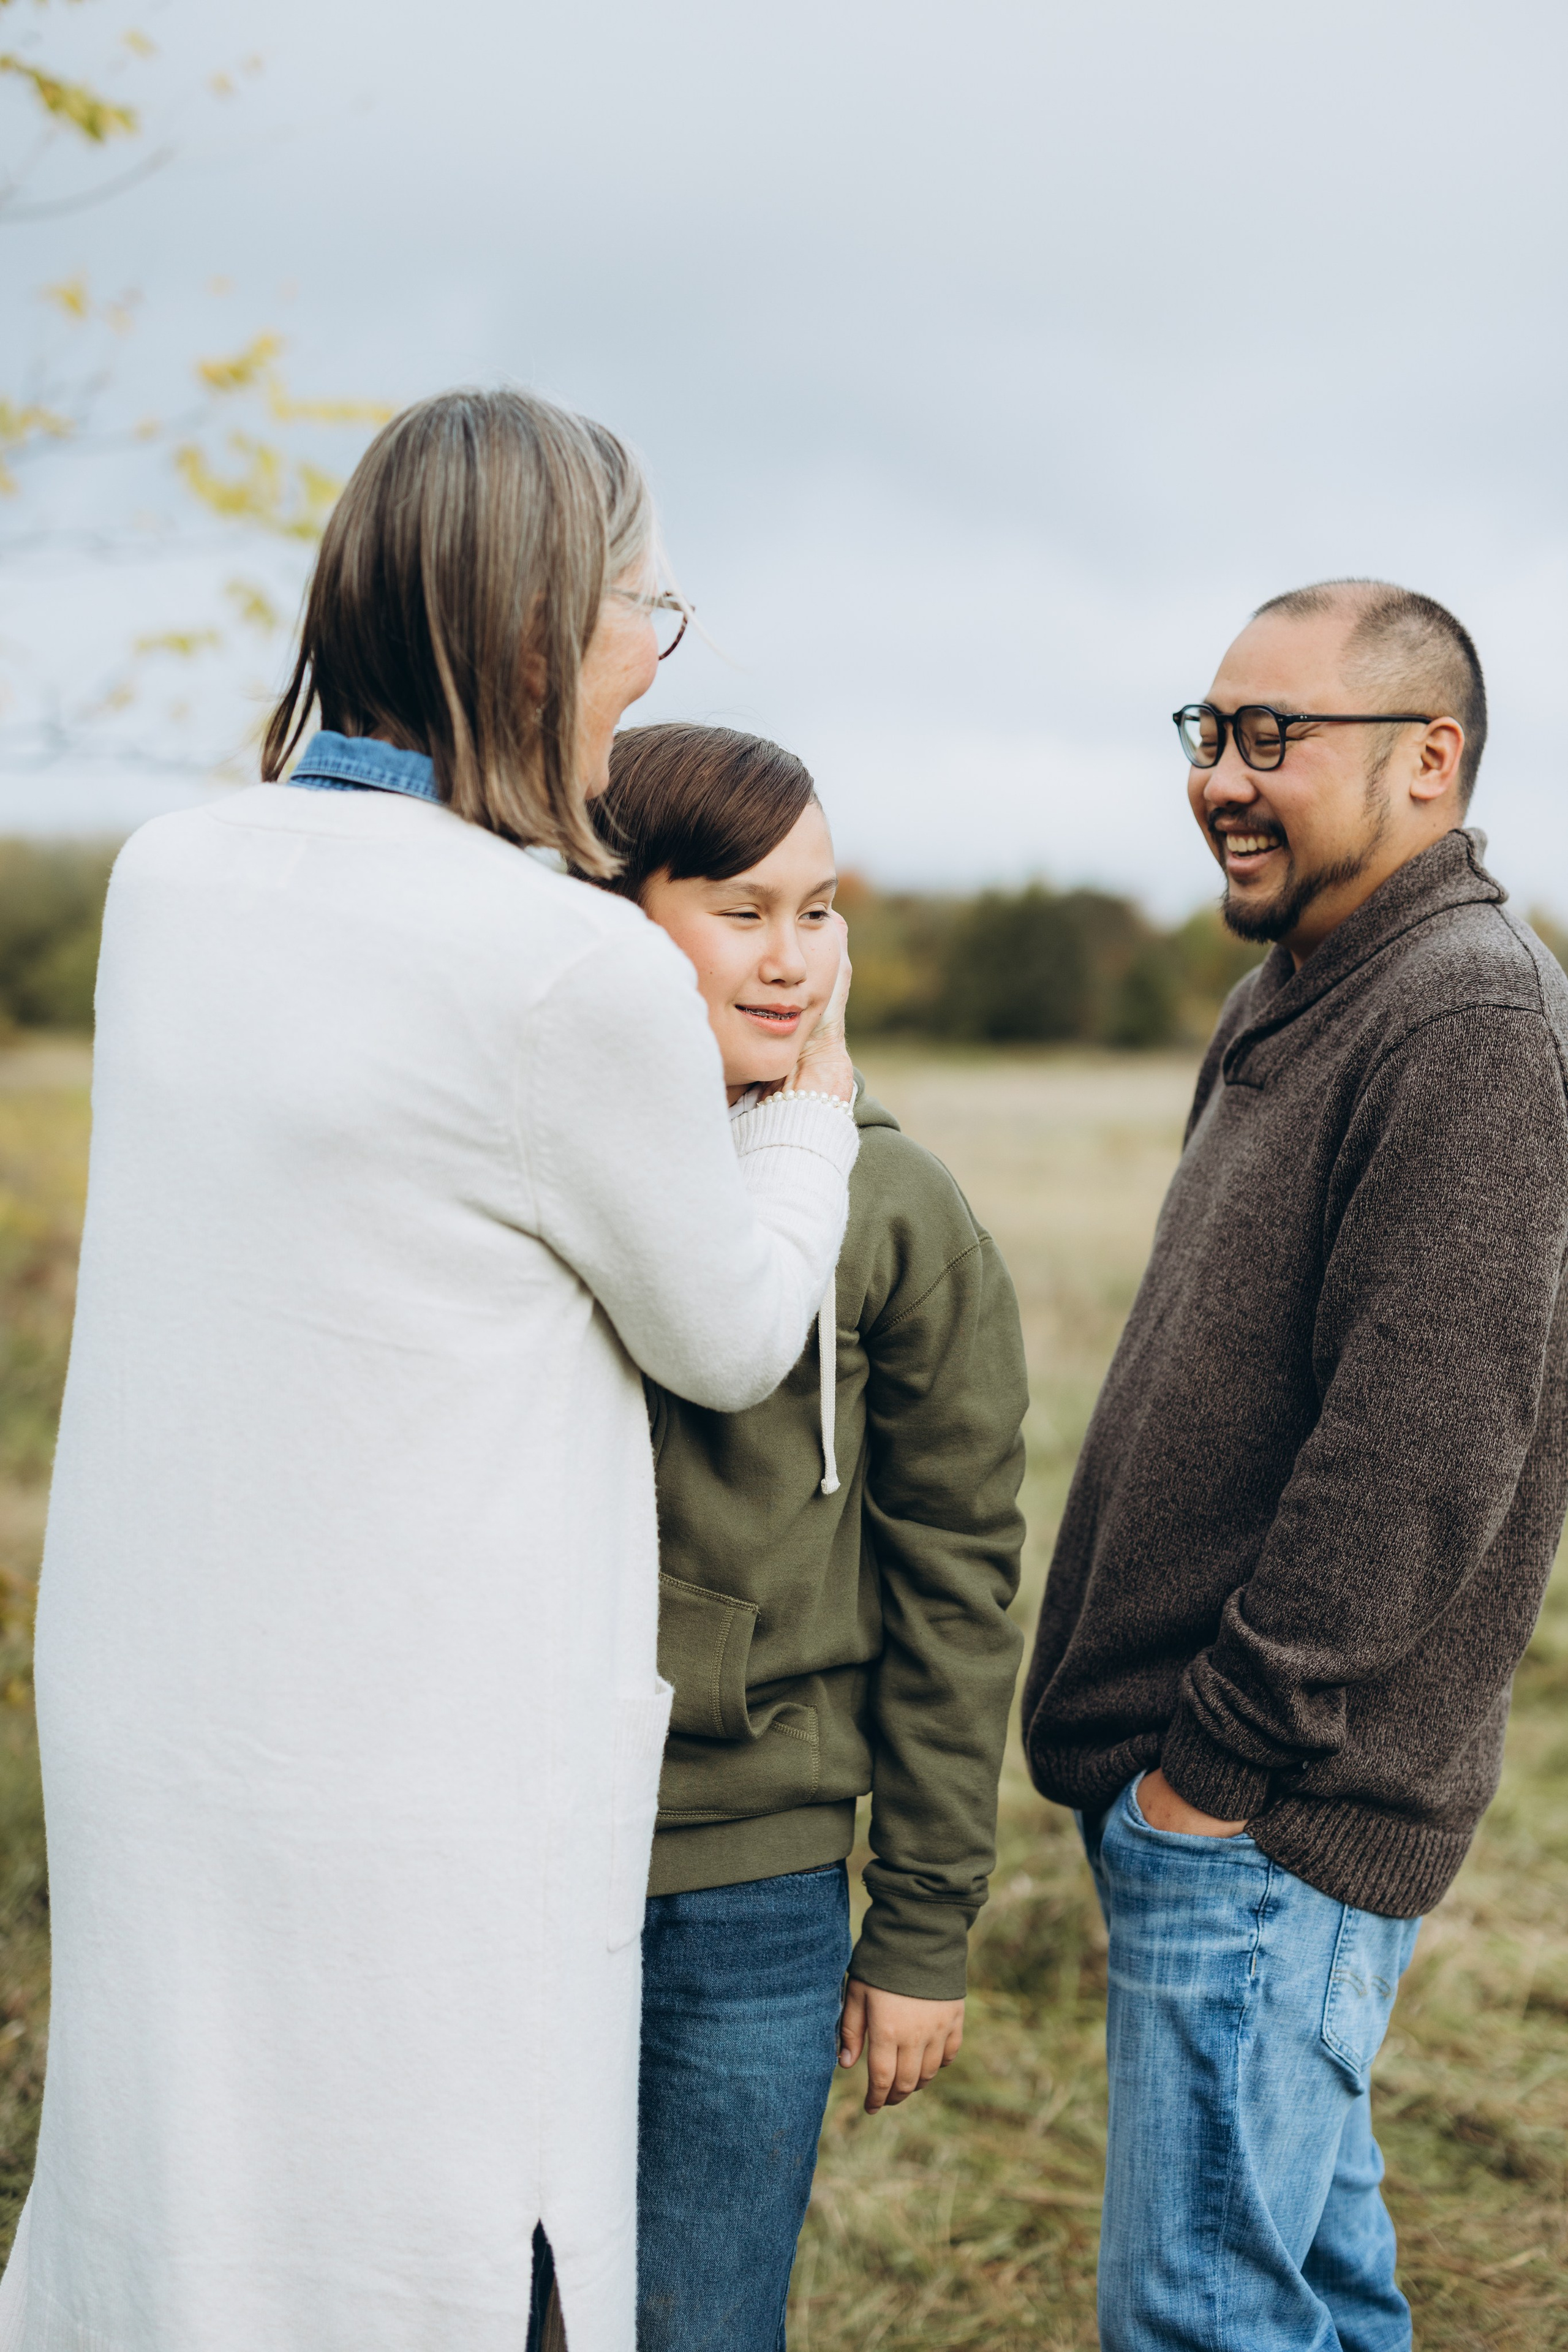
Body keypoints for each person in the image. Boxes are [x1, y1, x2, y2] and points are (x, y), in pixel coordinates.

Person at [1, 392, 863, 2352]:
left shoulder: (169, 875)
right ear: (540, 634)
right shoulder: (563, 968)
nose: (660, 654)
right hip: (415, 1760)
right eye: (647, 606)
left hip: (166, 1713)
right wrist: (811, 1113)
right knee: (442, 2236)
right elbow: (732, 1330)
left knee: (190, 2218)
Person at [1023, 579, 1568, 2352]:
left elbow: (1423, 1458)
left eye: (1275, 736)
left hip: (1270, 1821)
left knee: (1202, 2319)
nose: (1220, 777)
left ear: (1431, 760)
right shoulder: (1312, 981)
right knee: (1310, 2295)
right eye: (1211, 731)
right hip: (1229, 1812)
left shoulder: (1469, 1018)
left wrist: (1216, 1773)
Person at [579, 722, 1029, 2352]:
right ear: (617, 916)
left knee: (697, 2322)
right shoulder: (534, 1171)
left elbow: (959, 1580)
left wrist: (920, 1924)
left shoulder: (898, 1212)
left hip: (752, 1882)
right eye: (741, 911)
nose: (793, 960)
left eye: (818, 910)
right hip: (504, 1855)